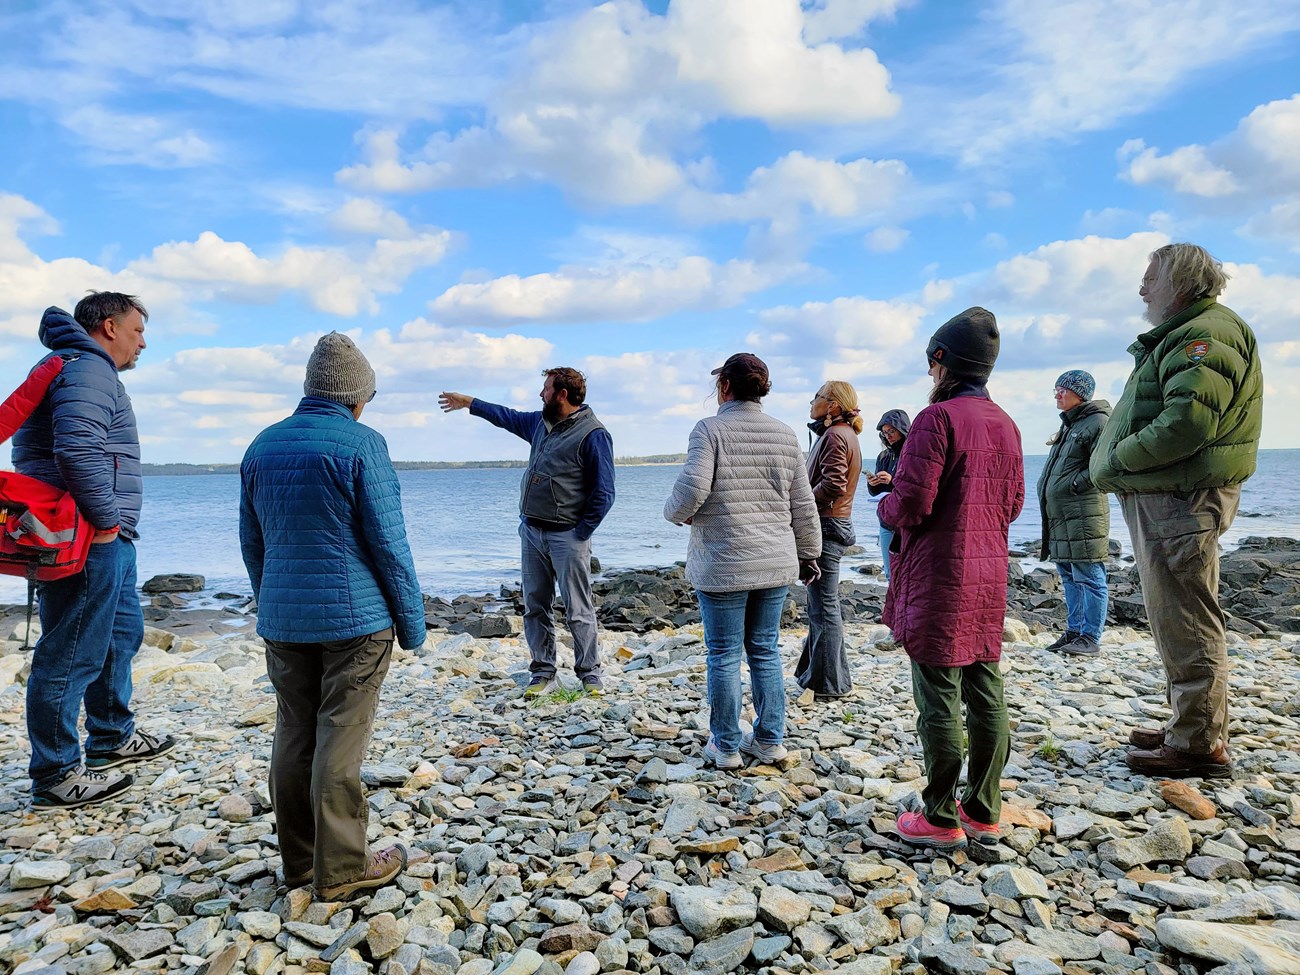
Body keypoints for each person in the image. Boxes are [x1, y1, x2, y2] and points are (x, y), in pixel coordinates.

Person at [240, 332, 424, 901]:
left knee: (294, 734)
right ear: (356, 394)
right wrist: (412, 623)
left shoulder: (262, 445)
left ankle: (298, 864)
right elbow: (388, 543)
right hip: (355, 621)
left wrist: (271, 600)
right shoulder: (362, 444)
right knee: (339, 741)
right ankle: (342, 870)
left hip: (284, 619)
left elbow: (253, 542)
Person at [1090, 243, 1262, 779]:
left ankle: (1197, 744)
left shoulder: (1202, 333)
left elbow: (1188, 422)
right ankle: (1189, 726)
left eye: (1149, 278)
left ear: (1180, 280)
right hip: (1174, 496)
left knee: (1185, 613)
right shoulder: (1191, 331)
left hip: (1180, 499)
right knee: (1175, 611)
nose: (1142, 289)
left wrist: (1117, 458)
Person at [12, 292, 175, 811]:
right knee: (71, 651)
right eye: (136, 330)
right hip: (86, 532)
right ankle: (57, 774)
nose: (142, 342)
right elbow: (77, 449)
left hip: (104, 531)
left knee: (119, 635)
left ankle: (111, 736)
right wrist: (105, 521)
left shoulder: (79, 365)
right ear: (108, 326)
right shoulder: (88, 368)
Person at [878, 308, 1024, 849]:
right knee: (985, 688)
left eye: (930, 362)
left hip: (941, 570)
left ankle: (939, 816)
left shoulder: (934, 419)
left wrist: (885, 508)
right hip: (988, 571)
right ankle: (983, 809)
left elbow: (912, 503)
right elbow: (1011, 504)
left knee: (938, 691)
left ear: (942, 361)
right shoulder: (1005, 422)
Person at [664, 353, 821, 769]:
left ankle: (727, 744)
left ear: (725, 387)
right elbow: (803, 503)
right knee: (765, 651)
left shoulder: (710, 429)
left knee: (723, 654)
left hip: (724, 561)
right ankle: (770, 741)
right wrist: (809, 554)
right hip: (773, 561)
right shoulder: (785, 434)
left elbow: (691, 489)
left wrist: (675, 513)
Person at [439, 369, 614, 697]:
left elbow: (604, 492)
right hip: (532, 532)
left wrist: (581, 532)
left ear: (562, 394)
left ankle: (590, 675)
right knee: (535, 605)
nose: (540, 394)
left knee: (578, 609)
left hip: (567, 537)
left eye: (545, 389)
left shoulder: (593, 434)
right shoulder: (539, 423)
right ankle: (543, 672)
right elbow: (506, 416)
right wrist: (470, 403)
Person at [794, 381, 863, 698]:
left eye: (817, 398)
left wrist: (803, 504)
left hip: (827, 524)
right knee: (820, 605)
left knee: (824, 607)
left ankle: (829, 684)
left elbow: (833, 484)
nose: (812, 403)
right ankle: (818, 675)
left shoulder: (836, 435)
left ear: (833, 405)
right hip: (833, 522)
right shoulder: (841, 434)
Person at [1037, 370, 1111, 656]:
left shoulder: (1098, 422)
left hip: (1084, 514)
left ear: (1079, 392)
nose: (1056, 394)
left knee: (1090, 574)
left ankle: (1090, 636)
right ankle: (1074, 631)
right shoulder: (1072, 424)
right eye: (1056, 389)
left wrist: (1071, 485)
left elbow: (1102, 466)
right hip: (1063, 515)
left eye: (1062, 389)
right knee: (1068, 574)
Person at [866, 410, 910, 580]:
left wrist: (892, 481)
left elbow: (913, 488)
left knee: (908, 572)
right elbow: (876, 492)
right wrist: (873, 484)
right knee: (890, 573)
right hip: (887, 521)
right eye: (885, 432)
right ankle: (893, 606)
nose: (888, 436)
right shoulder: (884, 456)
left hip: (907, 523)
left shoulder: (912, 454)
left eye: (892, 431)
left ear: (903, 429)